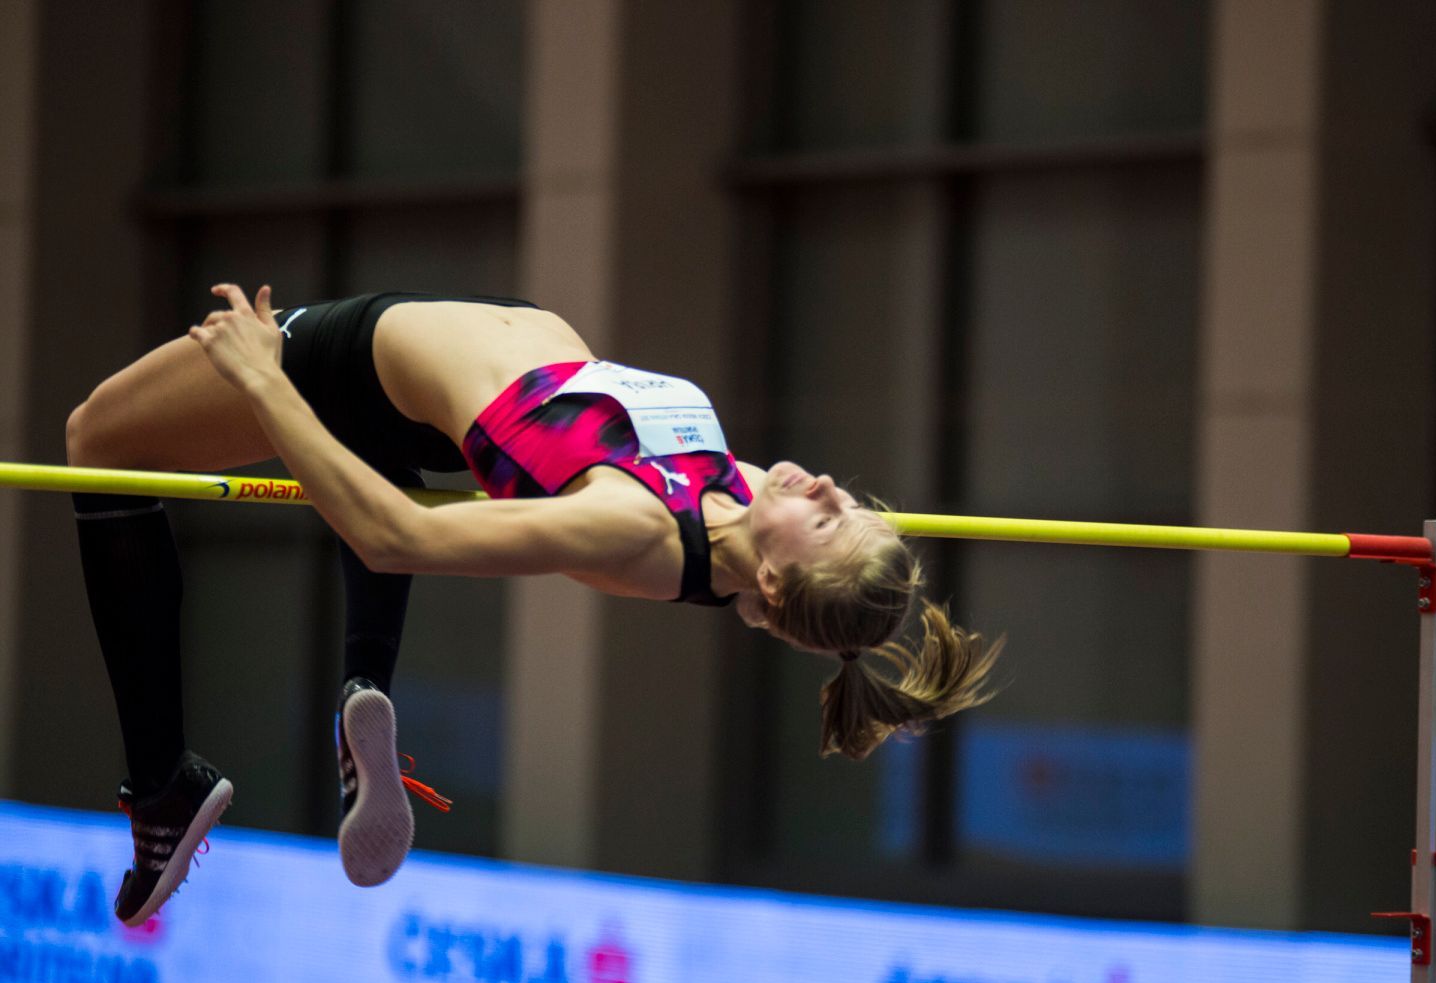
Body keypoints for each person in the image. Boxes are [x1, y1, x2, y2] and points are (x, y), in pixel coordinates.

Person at [65, 284, 1001, 926]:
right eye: (845, 502)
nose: (828, 485)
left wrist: (264, 381)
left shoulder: (632, 528)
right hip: (450, 381)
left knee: (96, 439)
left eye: (829, 518)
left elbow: (400, 537)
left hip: (368, 359)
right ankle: (363, 685)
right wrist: (832, 585)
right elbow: (771, 604)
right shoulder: (745, 510)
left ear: (771, 580)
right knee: (366, 445)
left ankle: (162, 786)